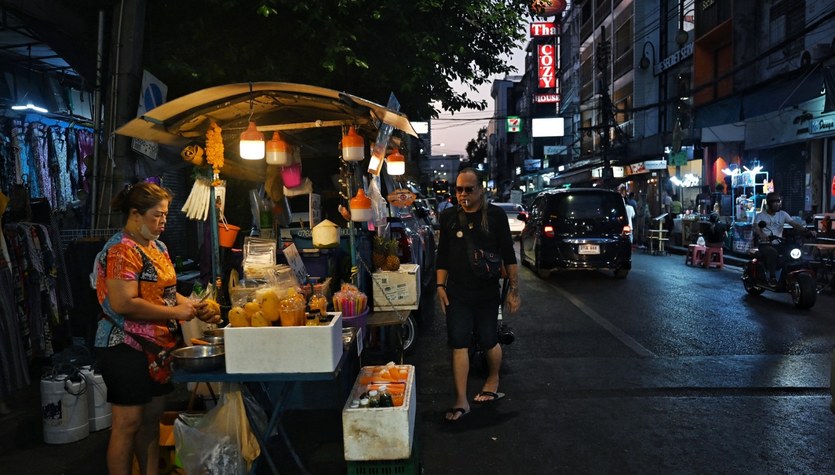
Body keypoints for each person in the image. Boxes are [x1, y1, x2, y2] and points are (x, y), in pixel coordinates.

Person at [93, 182, 221, 475]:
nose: (163, 222)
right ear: (135, 214)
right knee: (127, 425)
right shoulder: (121, 250)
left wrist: (193, 305)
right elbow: (124, 302)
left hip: (159, 349)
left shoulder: (157, 246)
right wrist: (175, 311)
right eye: (157, 215)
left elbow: (166, 291)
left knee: (151, 422)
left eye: (165, 215)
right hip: (125, 346)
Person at [436, 168, 520, 422]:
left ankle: (493, 378)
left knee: (488, 339)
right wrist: (440, 287)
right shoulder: (449, 216)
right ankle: (461, 400)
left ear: (480, 190)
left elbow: (508, 254)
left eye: (468, 189)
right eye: (459, 189)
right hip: (457, 292)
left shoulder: (495, 216)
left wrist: (514, 289)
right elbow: (443, 255)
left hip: (486, 291)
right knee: (458, 342)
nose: (463, 194)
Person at [753, 192, 811, 286]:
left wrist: (806, 231)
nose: (777, 204)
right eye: (774, 202)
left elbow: (794, 224)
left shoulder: (783, 214)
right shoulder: (761, 216)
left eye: (778, 202)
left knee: (793, 250)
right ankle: (772, 277)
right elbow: (756, 227)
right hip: (765, 243)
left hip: (779, 242)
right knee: (772, 253)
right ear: (768, 203)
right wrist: (762, 234)